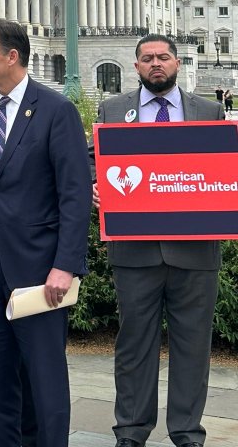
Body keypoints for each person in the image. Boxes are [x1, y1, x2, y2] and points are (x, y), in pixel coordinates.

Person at [0, 19, 92, 447]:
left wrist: (65, 265)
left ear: (12, 57)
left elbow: (75, 194)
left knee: (44, 381)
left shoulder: (55, 109)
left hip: (39, 272)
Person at [91, 35, 224, 447]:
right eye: (147, 59)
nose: (156, 64)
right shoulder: (113, 110)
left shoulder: (210, 110)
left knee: (193, 347)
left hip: (196, 251)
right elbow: (93, 164)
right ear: (136, 67)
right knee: (134, 345)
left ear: (177, 62)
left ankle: (187, 433)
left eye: (163, 57)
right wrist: (97, 188)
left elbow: (221, 168)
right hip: (134, 251)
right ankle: (131, 431)